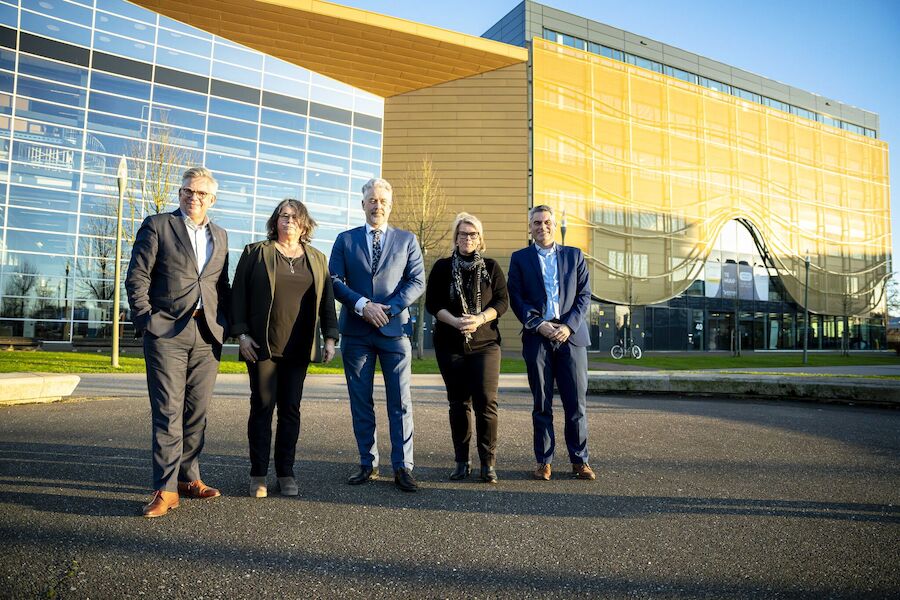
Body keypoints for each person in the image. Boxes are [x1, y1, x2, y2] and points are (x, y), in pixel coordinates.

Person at [125, 166, 231, 518]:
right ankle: (166, 490)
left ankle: (189, 479)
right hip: (166, 332)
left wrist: (226, 324)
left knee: (196, 412)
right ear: (180, 193)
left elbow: (221, 286)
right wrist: (147, 321)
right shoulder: (158, 226)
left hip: (207, 334)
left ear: (211, 199)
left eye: (201, 193)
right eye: (188, 191)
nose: (193, 197)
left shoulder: (221, 234)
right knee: (168, 412)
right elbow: (137, 276)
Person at [231, 199, 339, 498]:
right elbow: (237, 294)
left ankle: (286, 473)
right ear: (275, 221)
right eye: (283, 216)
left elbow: (327, 300)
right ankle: (258, 475)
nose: (288, 221)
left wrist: (330, 337)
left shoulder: (317, 258)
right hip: (262, 347)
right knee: (262, 408)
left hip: (299, 348)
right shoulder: (256, 253)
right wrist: (241, 335)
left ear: (304, 223)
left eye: (295, 216)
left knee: (291, 410)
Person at [329, 178, 425, 492]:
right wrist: (362, 305)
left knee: (401, 402)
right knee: (361, 401)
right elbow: (334, 280)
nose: (377, 205)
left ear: (390, 205)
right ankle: (367, 463)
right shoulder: (345, 240)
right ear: (363, 204)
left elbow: (416, 282)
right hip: (356, 333)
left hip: (395, 332)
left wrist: (387, 308)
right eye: (372, 200)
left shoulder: (407, 240)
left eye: (383, 201)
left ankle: (403, 467)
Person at [507, 205, 596, 481]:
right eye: (536, 222)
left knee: (575, 403)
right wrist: (539, 324)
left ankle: (579, 460)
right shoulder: (520, 258)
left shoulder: (574, 255)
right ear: (530, 227)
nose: (541, 226)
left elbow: (584, 295)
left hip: (572, 338)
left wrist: (568, 326)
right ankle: (544, 461)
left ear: (554, 225)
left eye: (546, 222)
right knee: (541, 403)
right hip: (538, 337)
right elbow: (516, 297)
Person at [425, 213, 508, 484]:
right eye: (463, 234)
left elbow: (502, 302)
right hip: (451, 344)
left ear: (480, 238)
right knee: (458, 404)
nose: (468, 238)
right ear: (456, 237)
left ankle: (488, 464)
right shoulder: (442, 267)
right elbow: (433, 304)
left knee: (486, 402)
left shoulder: (492, 267)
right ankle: (462, 462)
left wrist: (479, 319)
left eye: (473, 234)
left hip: (485, 344)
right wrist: (456, 321)